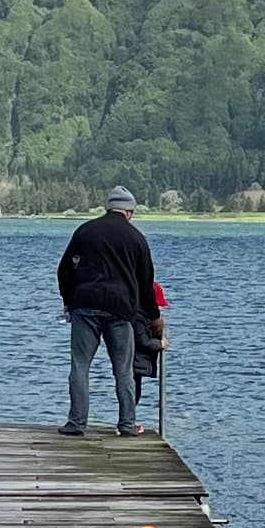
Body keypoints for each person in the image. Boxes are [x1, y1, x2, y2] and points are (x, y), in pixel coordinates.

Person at [56, 187, 159, 437]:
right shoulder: (136, 238)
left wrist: (69, 300)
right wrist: (154, 316)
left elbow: (64, 270)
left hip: (85, 304)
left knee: (80, 366)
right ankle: (126, 424)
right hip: (121, 310)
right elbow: (146, 283)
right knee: (123, 369)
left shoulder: (86, 231)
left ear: (108, 207)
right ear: (130, 212)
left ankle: (77, 423)